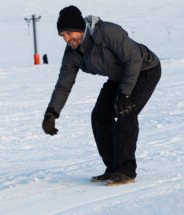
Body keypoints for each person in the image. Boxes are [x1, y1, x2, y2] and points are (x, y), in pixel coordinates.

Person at [42, 6, 161, 186]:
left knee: (125, 112)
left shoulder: (107, 32)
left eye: (68, 33)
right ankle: (113, 168)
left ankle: (125, 170)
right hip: (118, 76)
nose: (66, 39)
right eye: (62, 35)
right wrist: (52, 113)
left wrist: (125, 93)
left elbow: (134, 59)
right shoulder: (72, 54)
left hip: (144, 70)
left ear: (80, 28)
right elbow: (63, 85)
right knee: (99, 116)